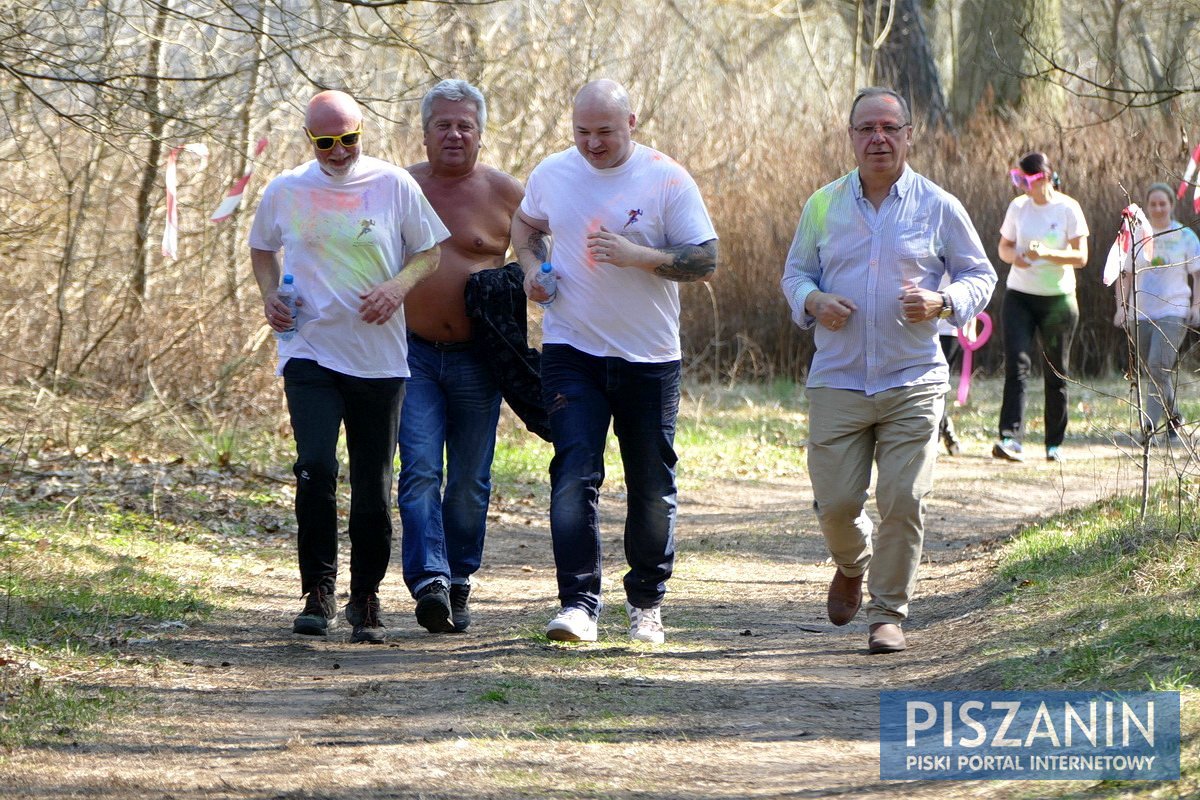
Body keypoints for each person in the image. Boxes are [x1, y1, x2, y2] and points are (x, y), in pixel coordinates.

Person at [780, 87, 996, 654]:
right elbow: (795, 274)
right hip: (838, 378)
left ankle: (887, 613)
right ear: (851, 137)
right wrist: (812, 302)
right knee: (836, 504)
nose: (879, 138)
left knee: (904, 499)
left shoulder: (939, 205)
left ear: (907, 134)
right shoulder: (822, 204)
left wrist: (943, 303)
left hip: (912, 379)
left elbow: (980, 274)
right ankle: (852, 562)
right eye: (866, 128)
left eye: (890, 128)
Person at [511, 79, 718, 645]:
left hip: (648, 357)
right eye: (581, 131)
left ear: (632, 122)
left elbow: (705, 260)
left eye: (604, 131)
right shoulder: (553, 173)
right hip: (571, 349)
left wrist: (641, 257)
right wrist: (532, 268)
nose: (592, 143)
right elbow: (526, 225)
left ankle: (647, 602)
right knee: (574, 471)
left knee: (651, 484)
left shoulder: (666, 178)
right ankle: (578, 604)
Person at [250, 90, 449, 644]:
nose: (339, 152)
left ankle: (365, 597)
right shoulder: (286, 190)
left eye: (349, 139)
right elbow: (262, 249)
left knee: (372, 482)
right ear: (309, 140)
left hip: (379, 358)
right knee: (314, 468)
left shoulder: (392, 184)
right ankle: (317, 591)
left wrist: (396, 286)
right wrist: (270, 296)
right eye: (326, 143)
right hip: (309, 349)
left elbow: (429, 251)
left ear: (363, 131)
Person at [398, 79, 524, 634]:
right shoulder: (396, 187)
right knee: (421, 470)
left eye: (464, 125)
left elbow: (546, 258)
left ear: (480, 134)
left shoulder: (507, 193)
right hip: (411, 353)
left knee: (471, 479)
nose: (453, 134)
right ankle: (428, 581)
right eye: (442, 124)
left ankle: (459, 578)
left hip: (480, 357)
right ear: (424, 132)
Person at [992, 152, 1089, 463]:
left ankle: (1054, 444)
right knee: (1017, 366)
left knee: (1056, 372)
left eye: (1025, 180)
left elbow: (1081, 257)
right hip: (1019, 295)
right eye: (1017, 179)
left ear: (1044, 178)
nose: (1020, 185)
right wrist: (1014, 258)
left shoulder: (1068, 208)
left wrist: (1047, 253)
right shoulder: (1018, 207)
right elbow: (1004, 246)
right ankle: (1010, 438)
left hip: (1058, 299)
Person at [1113, 182, 1200, 444]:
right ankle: (1174, 418)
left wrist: (1196, 306)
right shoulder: (1137, 235)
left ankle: (1148, 429)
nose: (1158, 208)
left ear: (1172, 205)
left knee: (1156, 365)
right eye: (1153, 204)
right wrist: (1121, 307)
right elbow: (1123, 274)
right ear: (1147, 207)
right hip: (1140, 314)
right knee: (1155, 372)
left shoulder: (1184, 236)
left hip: (1174, 310)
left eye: (1163, 203)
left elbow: (1197, 274)